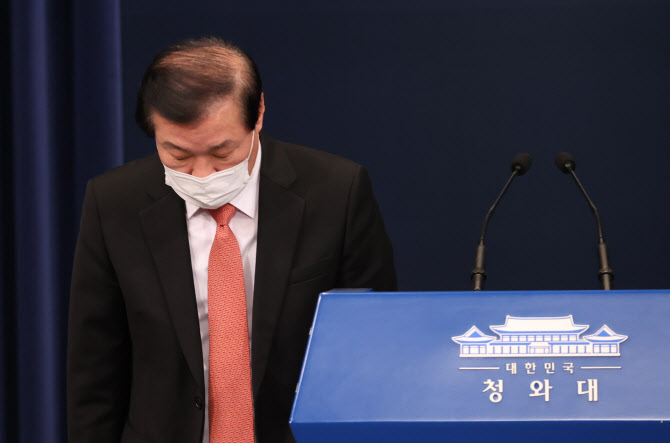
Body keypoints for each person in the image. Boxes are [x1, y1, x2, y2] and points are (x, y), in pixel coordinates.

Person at [67, 37, 396, 443]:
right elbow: (95, 364)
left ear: (258, 113)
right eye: (178, 155)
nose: (202, 174)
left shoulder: (336, 192)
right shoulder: (114, 201)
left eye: (222, 153)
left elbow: (373, 347)